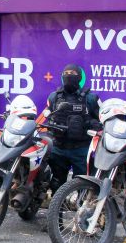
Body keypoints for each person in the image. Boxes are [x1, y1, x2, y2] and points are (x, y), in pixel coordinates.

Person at [37, 63, 101, 192]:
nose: (69, 76)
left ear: (80, 77)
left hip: (82, 150)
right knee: (56, 185)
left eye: (72, 74)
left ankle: (83, 211)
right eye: (66, 74)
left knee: (84, 186)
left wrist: (90, 123)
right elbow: (49, 116)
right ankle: (56, 211)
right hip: (58, 148)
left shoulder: (91, 98)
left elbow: (102, 120)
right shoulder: (54, 96)